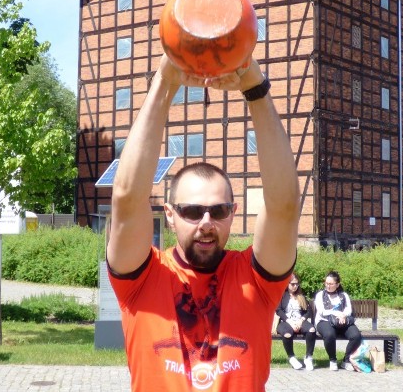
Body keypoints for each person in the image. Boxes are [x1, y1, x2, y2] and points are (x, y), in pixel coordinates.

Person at [107, 53, 300, 391]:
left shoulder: (255, 281)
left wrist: (255, 88)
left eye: (219, 211)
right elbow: (126, 197)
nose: (206, 222)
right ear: (169, 215)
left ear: (233, 213)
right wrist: (164, 83)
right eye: (192, 211)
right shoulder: (142, 277)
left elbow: (283, 206)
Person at [314, 271, 362, 371]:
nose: (328, 286)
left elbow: (348, 309)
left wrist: (343, 315)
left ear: (337, 284)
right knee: (329, 334)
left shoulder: (343, 295)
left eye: (331, 284)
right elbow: (322, 311)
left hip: (342, 321)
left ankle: (346, 360)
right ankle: (333, 360)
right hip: (324, 321)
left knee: (356, 335)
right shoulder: (320, 295)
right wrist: (337, 313)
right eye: (326, 283)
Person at [275, 273, 316, 371]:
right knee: (287, 334)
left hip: (299, 321)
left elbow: (308, 311)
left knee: (311, 329)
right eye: (292, 284)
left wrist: (301, 320)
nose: (295, 286)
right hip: (286, 322)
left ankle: (308, 357)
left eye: (297, 284)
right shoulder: (282, 295)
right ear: (287, 284)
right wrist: (289, 321)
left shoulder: (301, 296)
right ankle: (292, 357)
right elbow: (278, 310)